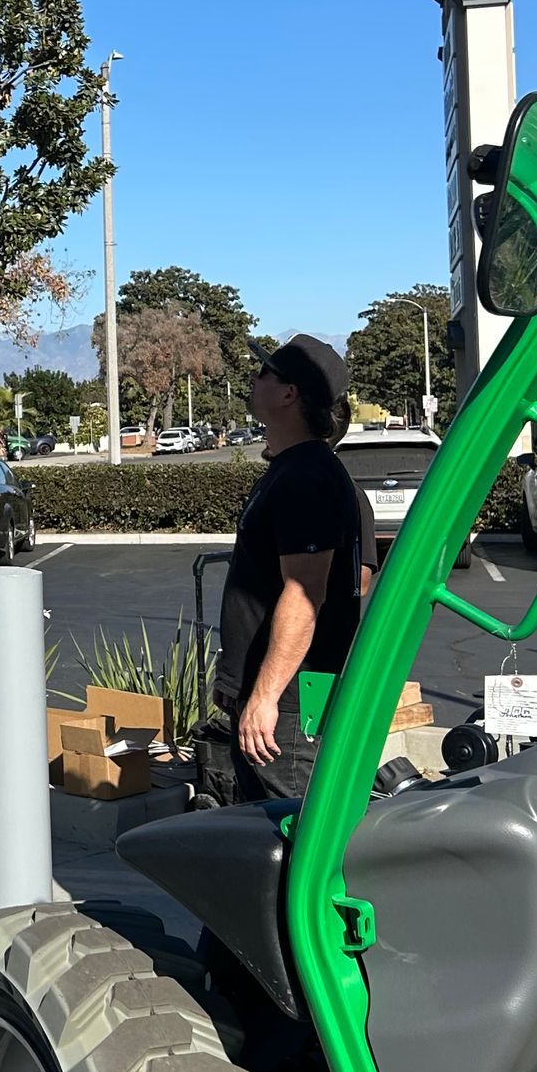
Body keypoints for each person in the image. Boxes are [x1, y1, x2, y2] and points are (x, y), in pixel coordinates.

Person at [215, 335, 363, 802]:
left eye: (265, 372)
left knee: (297, 846)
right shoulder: (290, 469)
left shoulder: (307, 477)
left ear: (289, 394)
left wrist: (264, 699)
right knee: (264, 849)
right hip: (276, 703)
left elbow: (304, 595)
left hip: (288, 712)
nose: (254, 379)